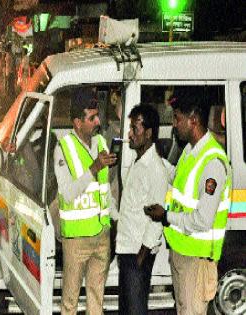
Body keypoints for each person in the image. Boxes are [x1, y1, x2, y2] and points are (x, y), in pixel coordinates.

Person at [144, 87, 231, 315]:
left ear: (193, 120)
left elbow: (202, 220)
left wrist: (165, 216)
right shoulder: (190, 151)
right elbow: (176, 178)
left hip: (197, 260)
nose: (174, 124)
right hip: (182, 253)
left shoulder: (212, 162)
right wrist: (151, 157)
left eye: (177, 118)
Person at [54, 87, 117, 314]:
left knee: (96, 300)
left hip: (101, 235)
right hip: (77, 240)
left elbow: (105, 188)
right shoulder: (63, 149)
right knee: (70, 302)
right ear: (77, 122)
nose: (98, 121)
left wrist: (115, 218)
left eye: (97, 115)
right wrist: (94, 168)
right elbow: (68, 194)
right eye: (92, 118)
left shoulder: (101, 142)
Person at [116, 104, 168, 315]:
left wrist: (141, 256)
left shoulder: (155, 169)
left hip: (138, 254)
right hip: (128, 250)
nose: (129, 134)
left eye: (134, 129)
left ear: (148, 133)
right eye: (130, 128)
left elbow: (157, 218)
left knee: (135, 311)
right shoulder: (139, 163)